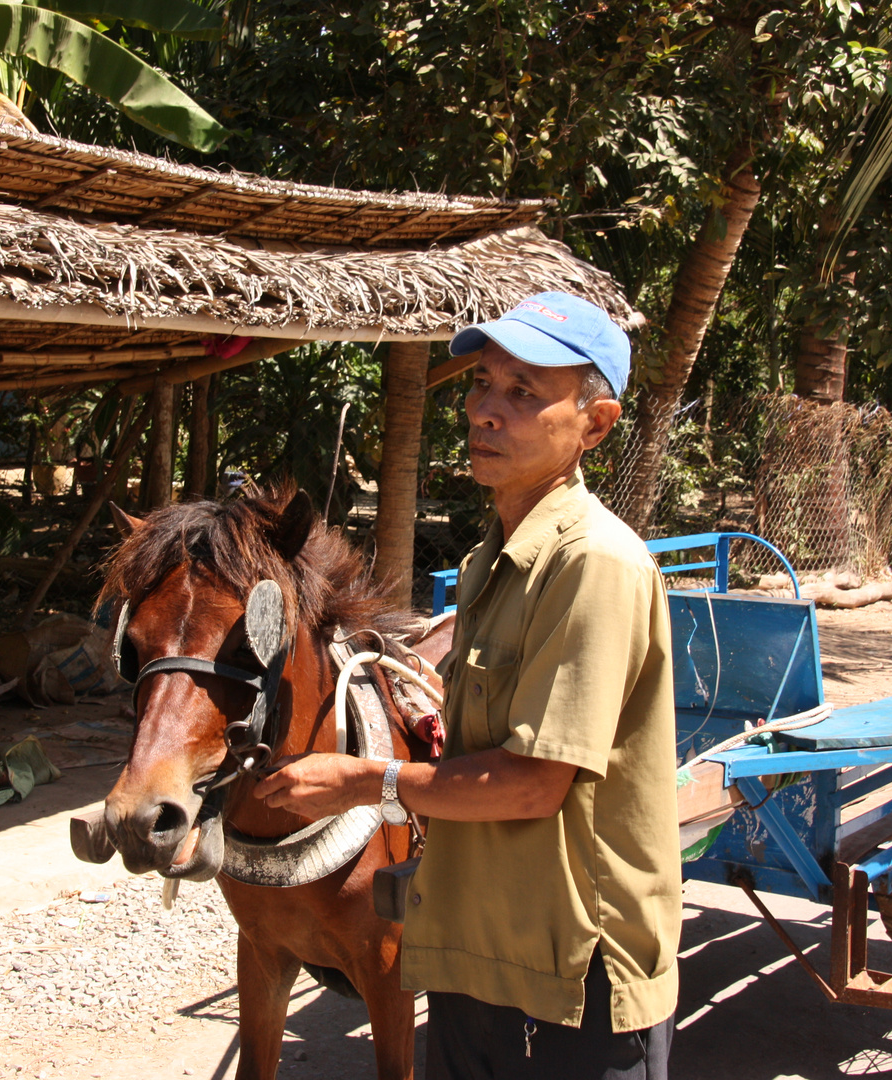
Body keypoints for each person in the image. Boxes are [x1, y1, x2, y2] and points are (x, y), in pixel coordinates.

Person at [254, 292, 681, 1079]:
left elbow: (534, 785)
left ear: (596, 424)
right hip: (471, 959)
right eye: (483, 382)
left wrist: (358, 781)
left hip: (568, 982)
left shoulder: (593, 563)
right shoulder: (493, 558)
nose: (486, 409)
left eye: (524, 392)